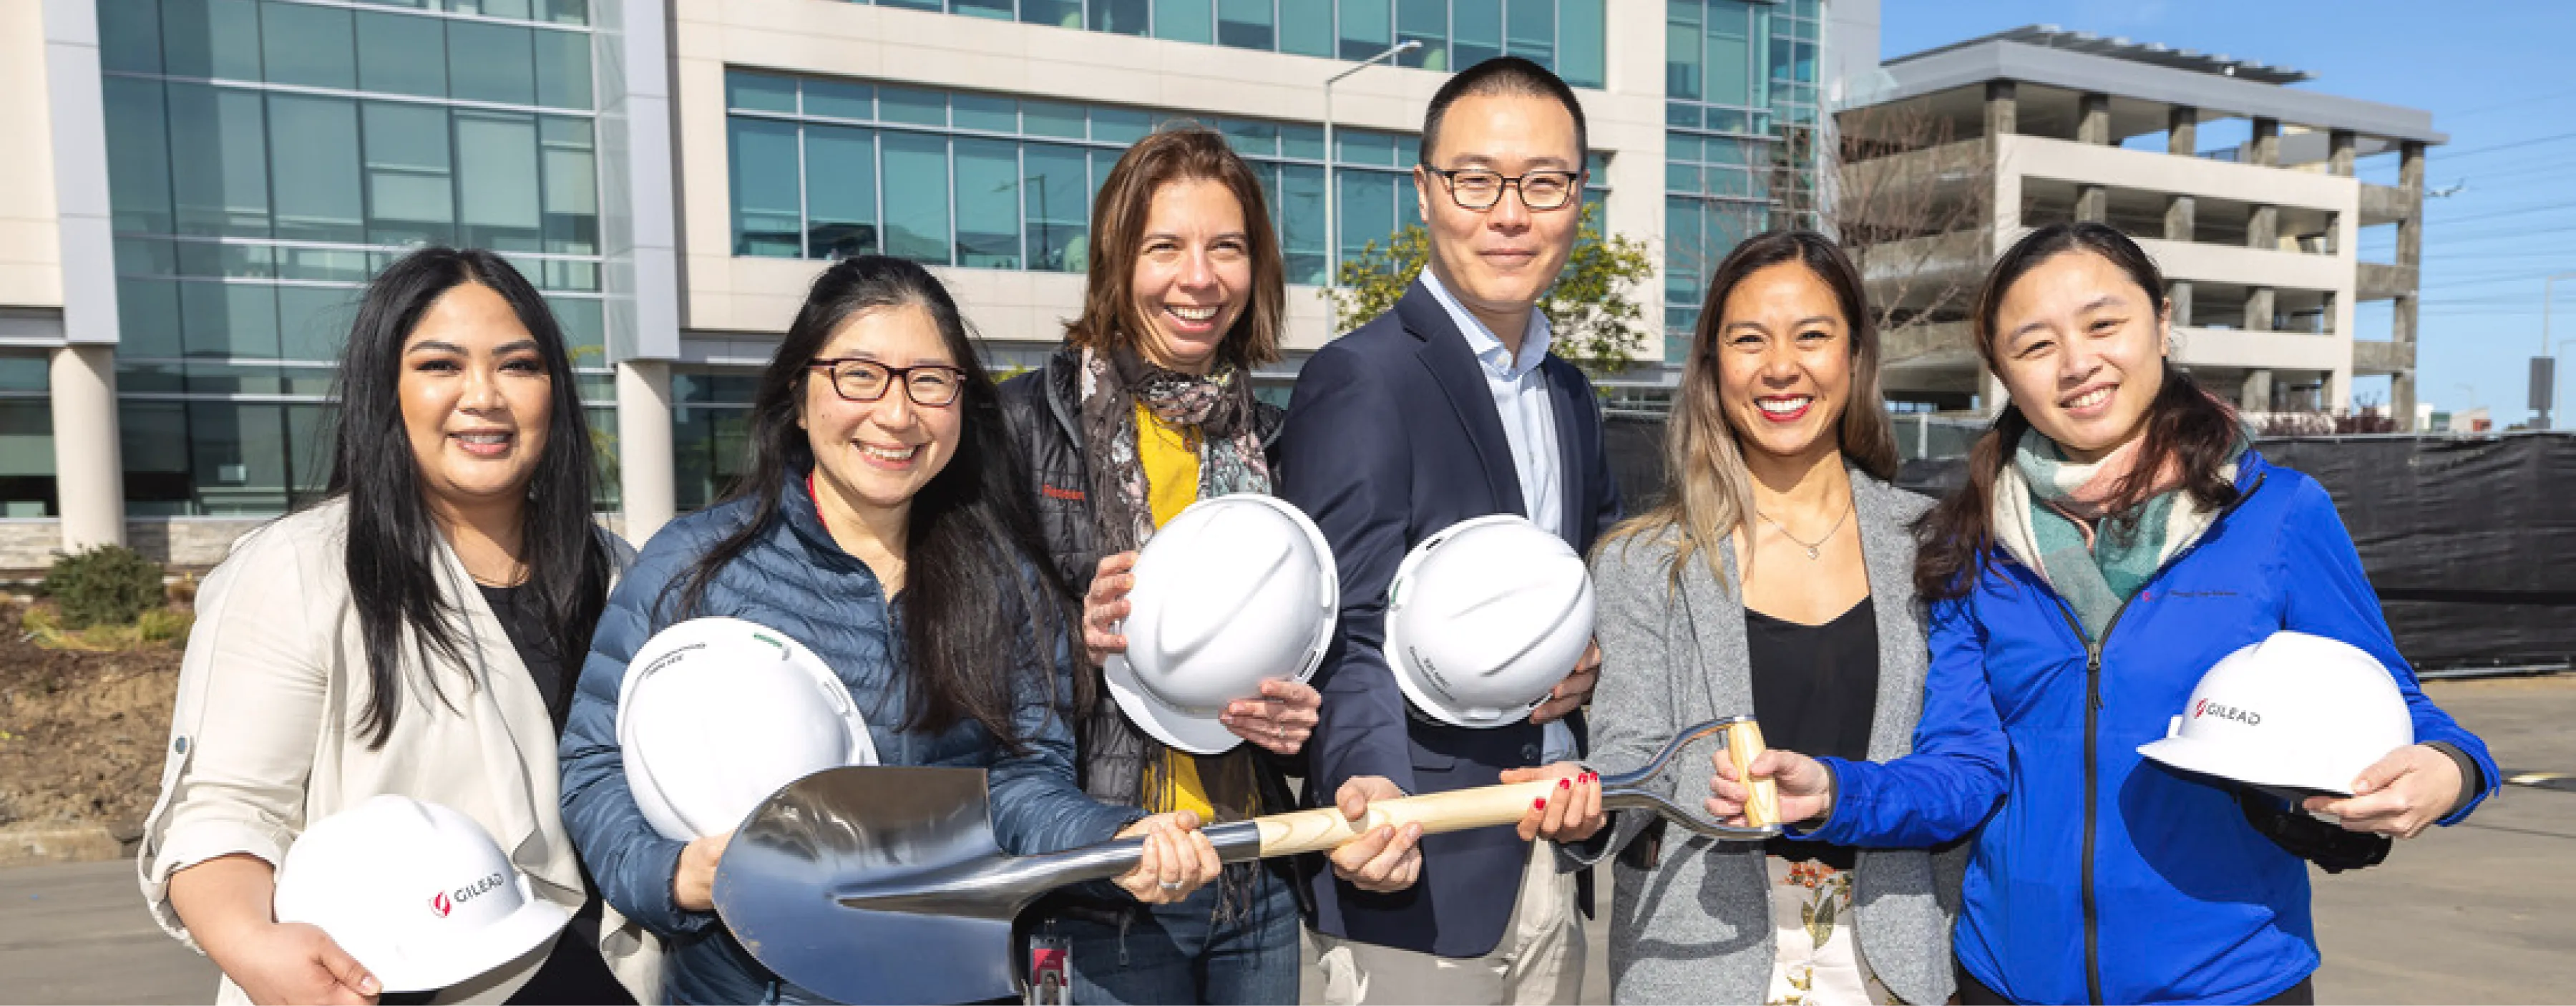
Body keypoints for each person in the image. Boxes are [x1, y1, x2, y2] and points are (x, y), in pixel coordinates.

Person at [1713, 223, 2501, 1006]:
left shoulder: (2278, 513)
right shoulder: (1970, 539)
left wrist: (2452, 768)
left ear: (2160, 321)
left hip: (2228, 982)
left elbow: (2399, 705)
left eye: (2103, 324)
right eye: (2035, 344)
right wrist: (1835, 791)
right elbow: (1963, 765)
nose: (2078, 363)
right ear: (2003, 372)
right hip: (2007, 982)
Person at [557, 255, 1222, 1006]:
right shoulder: (697, 561)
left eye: (929, 379)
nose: (898, 413)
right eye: (859, 374)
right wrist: (671, 873)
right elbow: (593, 758)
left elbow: (1021, 778)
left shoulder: (1004, 575)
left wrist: (1112, 838)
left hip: (945, 984)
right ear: (799, 397)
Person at [137, 248, 643, 1006]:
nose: (484, 396)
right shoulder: (303, 569)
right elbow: (225, 808)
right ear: (387, 390)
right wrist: (255, 946)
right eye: (440, 365)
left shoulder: (618, 571)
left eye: (518, 365)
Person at [997, 124, 1408, 1006]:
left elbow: (1321, 642)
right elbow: (967, 656)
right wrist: (1075, 634)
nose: (1199, 277)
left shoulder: (1278, 440)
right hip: (1102, 885)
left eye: (1227, 247)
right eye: (1165, 247)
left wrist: (1305, 711)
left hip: (1251, 873)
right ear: (1117, 262)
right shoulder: (1023, 428)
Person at [1276, 56, 1622, 1006]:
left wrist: (1590, 655)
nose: (1509, 213)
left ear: (1575, 200)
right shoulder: (1364, 379)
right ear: (1426, 192)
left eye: (1543, 183)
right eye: (1476, 179)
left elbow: (1588, 586)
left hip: (1551, 860)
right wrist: (1372, 791)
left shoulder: (1571, 392)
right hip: (1413, 872)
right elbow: (1343, 627)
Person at [1584, 231, 1997, 1006]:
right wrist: (1582, 805)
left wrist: (1839, 792)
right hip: (1696, 962)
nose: (1781, 366)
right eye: (1749, 340)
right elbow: (1627, 757)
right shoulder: (1642, 562)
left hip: (1899, 964)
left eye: (1812, 335)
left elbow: (1966, 767)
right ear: (1712, 366)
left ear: (1854, 357)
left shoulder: (1939, 544)